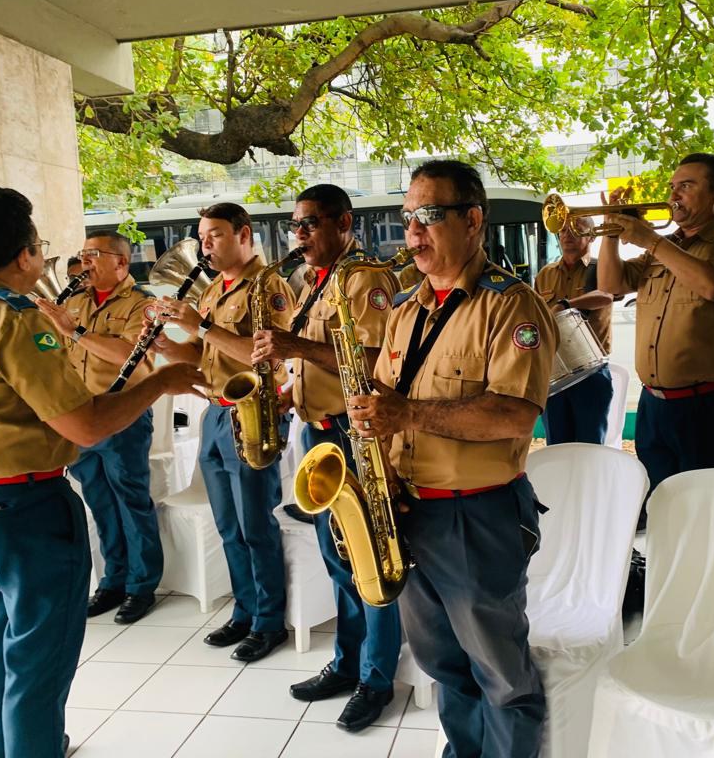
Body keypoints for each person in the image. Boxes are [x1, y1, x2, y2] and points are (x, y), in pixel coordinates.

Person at [0, 186, 202, 758]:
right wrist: (161, 382)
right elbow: (86, 427)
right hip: (24, 510)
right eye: (40, 248)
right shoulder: (11, 319)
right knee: (38, 658)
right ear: (23, 256)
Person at [348, 160, 557, 757]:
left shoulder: (510, 306)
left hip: (478, 516)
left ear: (472, 221)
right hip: (411, 513)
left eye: (429, 216)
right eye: (408, 217)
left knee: (502, 678)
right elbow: (387, 401)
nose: (412, 232)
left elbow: (516, 416)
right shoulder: (407, 308)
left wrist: (408, 417)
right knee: (446, 666)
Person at [249, 184, 402, 732]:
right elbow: (316, 361)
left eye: (311, 223)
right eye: (296, 225)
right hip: (317, 433)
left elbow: (372, 359)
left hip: (353, 434)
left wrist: (295, 348)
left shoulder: (366, 279)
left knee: (368, 557)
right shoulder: (312, 282)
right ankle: (348, 662)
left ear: (344, 223)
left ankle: (377, 678)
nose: (300, 234)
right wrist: (288, 384)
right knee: (337, 558)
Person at [149, 202, 294, 663]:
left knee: (256, 526)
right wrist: (167, 345)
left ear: (243, 234)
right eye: (202, 237)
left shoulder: (269, 285)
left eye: (213, 235)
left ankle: (269, 621)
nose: (204, 245)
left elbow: (268, 357)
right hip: (213, 413)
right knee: (228, 526)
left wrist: (202, 325)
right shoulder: (212, 291)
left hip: (250, 413)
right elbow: (200, 355)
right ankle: (245, 610)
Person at [597, 153, 714, 514]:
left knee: (710, 513)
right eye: (674, 187)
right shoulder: (665, 248)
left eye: (687, 186)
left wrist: (651, 240)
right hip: (655, 406)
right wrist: (611, 233)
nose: (675, 195)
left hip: (709, 406)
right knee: (663, 509)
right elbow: (611, 283)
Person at [35, 231, 163, 624]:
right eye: (83, 255)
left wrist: (75, 331)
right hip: (81, 416)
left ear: (121, 263)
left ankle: (142, 587)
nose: (85, 262)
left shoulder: (143, 303)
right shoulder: (72, 301)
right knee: (100, 503)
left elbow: (133, 355)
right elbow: (51, 351)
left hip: (122, 414)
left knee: (131, 499)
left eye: (94, 255)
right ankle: (113, 580)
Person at [534, 215, 615, 444]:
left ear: (591, 236)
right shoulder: (545, 274)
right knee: (557, 446)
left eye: (576, 229)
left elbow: (607, 295)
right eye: (563, 231)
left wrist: (567, 305)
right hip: (555, 372)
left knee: (590, 447)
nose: (567, 235)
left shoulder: (603, 268)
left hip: (591, 371)